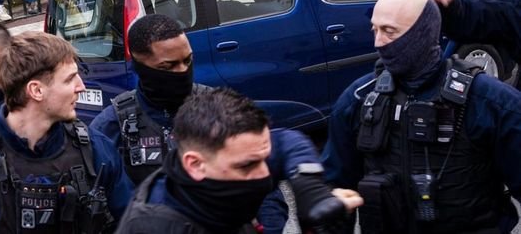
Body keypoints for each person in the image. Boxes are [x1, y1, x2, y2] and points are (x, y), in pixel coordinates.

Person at [322, 0, 521, 233]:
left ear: (422, 32)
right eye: (375, 30)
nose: (378, 43)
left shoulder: (490, 101)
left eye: (389, 31)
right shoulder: (358, 99)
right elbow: (335, 187)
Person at [91, 15, 289, 231]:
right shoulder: (111, 126)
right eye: (168, 66)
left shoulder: (220, 108)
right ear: (139, 64)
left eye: (187, 61)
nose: (182, 72)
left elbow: (266, 188)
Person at [0, 31, 132, 232]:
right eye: (70, 79)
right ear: (36, 90)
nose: (81, 87)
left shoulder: (97, 150)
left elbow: (130, 223)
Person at [116, 88, 361, 234]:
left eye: (265, 158)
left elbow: (287, 141)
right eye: (247, 166)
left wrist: (310, 187)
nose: (264, 173)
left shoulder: (242, 154)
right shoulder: (156, 226)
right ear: (195, 164)